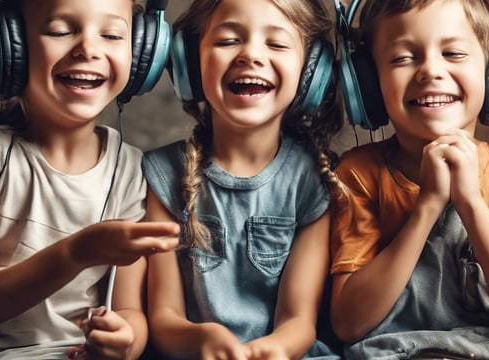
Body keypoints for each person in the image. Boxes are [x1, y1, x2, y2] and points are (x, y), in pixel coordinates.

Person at [0, 0, 179, 359]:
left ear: (141, 54)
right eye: (60, 31)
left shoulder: (129, 169)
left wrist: (124, 341)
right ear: (10, 45)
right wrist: (76, 253)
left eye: (112, 35)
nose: (88, 48)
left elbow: (130, 310)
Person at [330, 0, 489, 359]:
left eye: (453, 53)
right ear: (367, 83)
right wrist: (426, 207)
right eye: (402, 58)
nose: (430, 70)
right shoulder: (358, 174)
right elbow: (349, 324)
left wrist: (471, 204)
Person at [142, 0, 346, 358]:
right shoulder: (162, 175)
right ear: (190, 62)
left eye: (277, 44)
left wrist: (270, 350)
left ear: (312, 73)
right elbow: (164, 317)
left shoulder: (314, 180)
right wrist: (200, 341)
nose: (250, 55)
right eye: (227, 41)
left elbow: (298, 321)